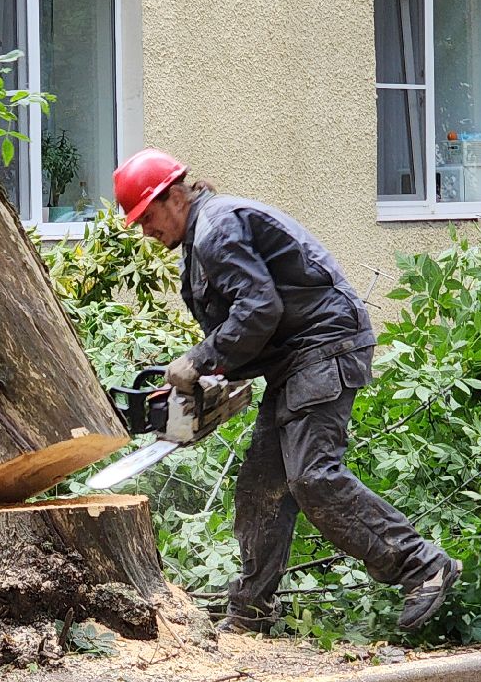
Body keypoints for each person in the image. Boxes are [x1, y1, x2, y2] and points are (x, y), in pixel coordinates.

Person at [112, 147, 460, 634]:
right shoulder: (202, 240)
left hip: (324, 347)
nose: (147, 230)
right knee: (261, 487)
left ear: (173, 197)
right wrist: (212, 379)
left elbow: (258, 310)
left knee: (313, 476)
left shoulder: (216, 229)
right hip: (295, 361)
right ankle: (251, 608)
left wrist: (199, 360)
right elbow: (248, 324)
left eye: (147, 217)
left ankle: (422, 565)